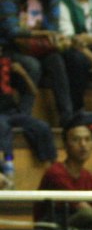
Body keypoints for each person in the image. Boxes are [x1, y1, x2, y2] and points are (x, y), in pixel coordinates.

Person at [0, 0, 75, 126]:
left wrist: (36, 33)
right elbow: (11, 30)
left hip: (39, 48)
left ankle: (67, 117)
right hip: (13, 48)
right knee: (33, 65)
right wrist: (40, 33)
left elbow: (53, 29)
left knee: (56, 60)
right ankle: (23, 116)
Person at [33, 118, 92, 230]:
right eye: (76, 140)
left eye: (87, 139)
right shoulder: (55, 172)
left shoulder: (90, 177)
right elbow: (84, 208)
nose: (83, 145)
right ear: (65, 145)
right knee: (89, 216)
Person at [0, 48, 57, 183]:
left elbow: (33, 92)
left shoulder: (8, 68)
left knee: (42, 126)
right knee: (2, 126)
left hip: (13, 113)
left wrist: (23, 73)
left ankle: (51, 168)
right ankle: (8, 166)